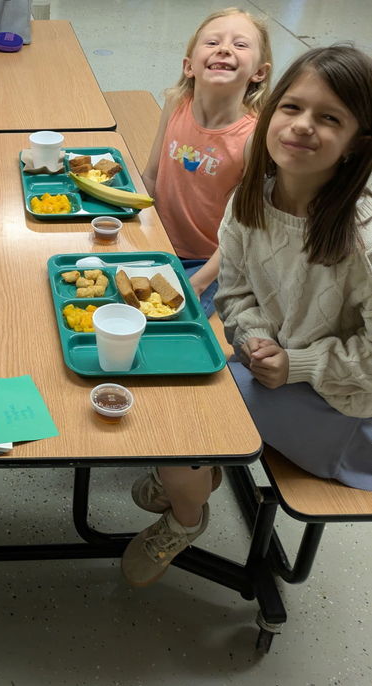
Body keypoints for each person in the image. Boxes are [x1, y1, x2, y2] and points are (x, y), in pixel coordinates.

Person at [121, 44, 372, 588]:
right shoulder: (252, 199)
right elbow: (234, 293)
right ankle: (194, 476)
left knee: (179, 416)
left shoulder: (364, 236)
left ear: (357, 144)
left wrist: (298, 365)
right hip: (270, 374)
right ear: (271, 109)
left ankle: (186, 514)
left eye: (330, 118)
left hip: (349, 413)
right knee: (167, 375)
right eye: (292, 107)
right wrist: (258, 340)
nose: (303, 126)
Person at [142, 8, 273, 315]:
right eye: (213, 42)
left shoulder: (254, 137)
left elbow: (248, 229)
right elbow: (150, 175)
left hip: (209, 262)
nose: (225, 48)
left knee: (169, 324)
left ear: (259, 72)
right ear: (189, 65)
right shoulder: (176, 103)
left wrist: (198, 283)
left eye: (240, 45)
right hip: (157, 241)